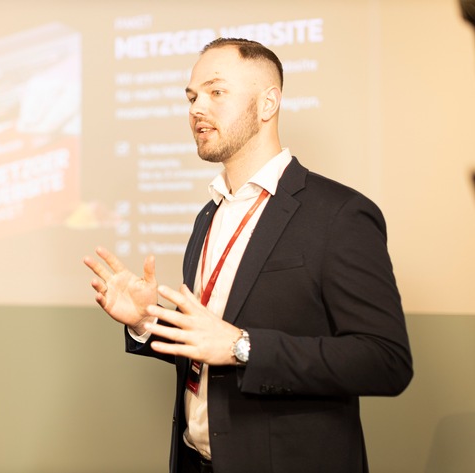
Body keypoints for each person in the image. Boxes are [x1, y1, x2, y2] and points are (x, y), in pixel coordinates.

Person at [83, 37, 412, 473]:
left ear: (267, 104)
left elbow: (386, 361)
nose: (197, 108)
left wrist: (243, 347)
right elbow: (208, 343)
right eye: (192, 97)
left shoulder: (339, 214)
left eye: (216, 92)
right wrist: (146, 321)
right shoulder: (210, 213)